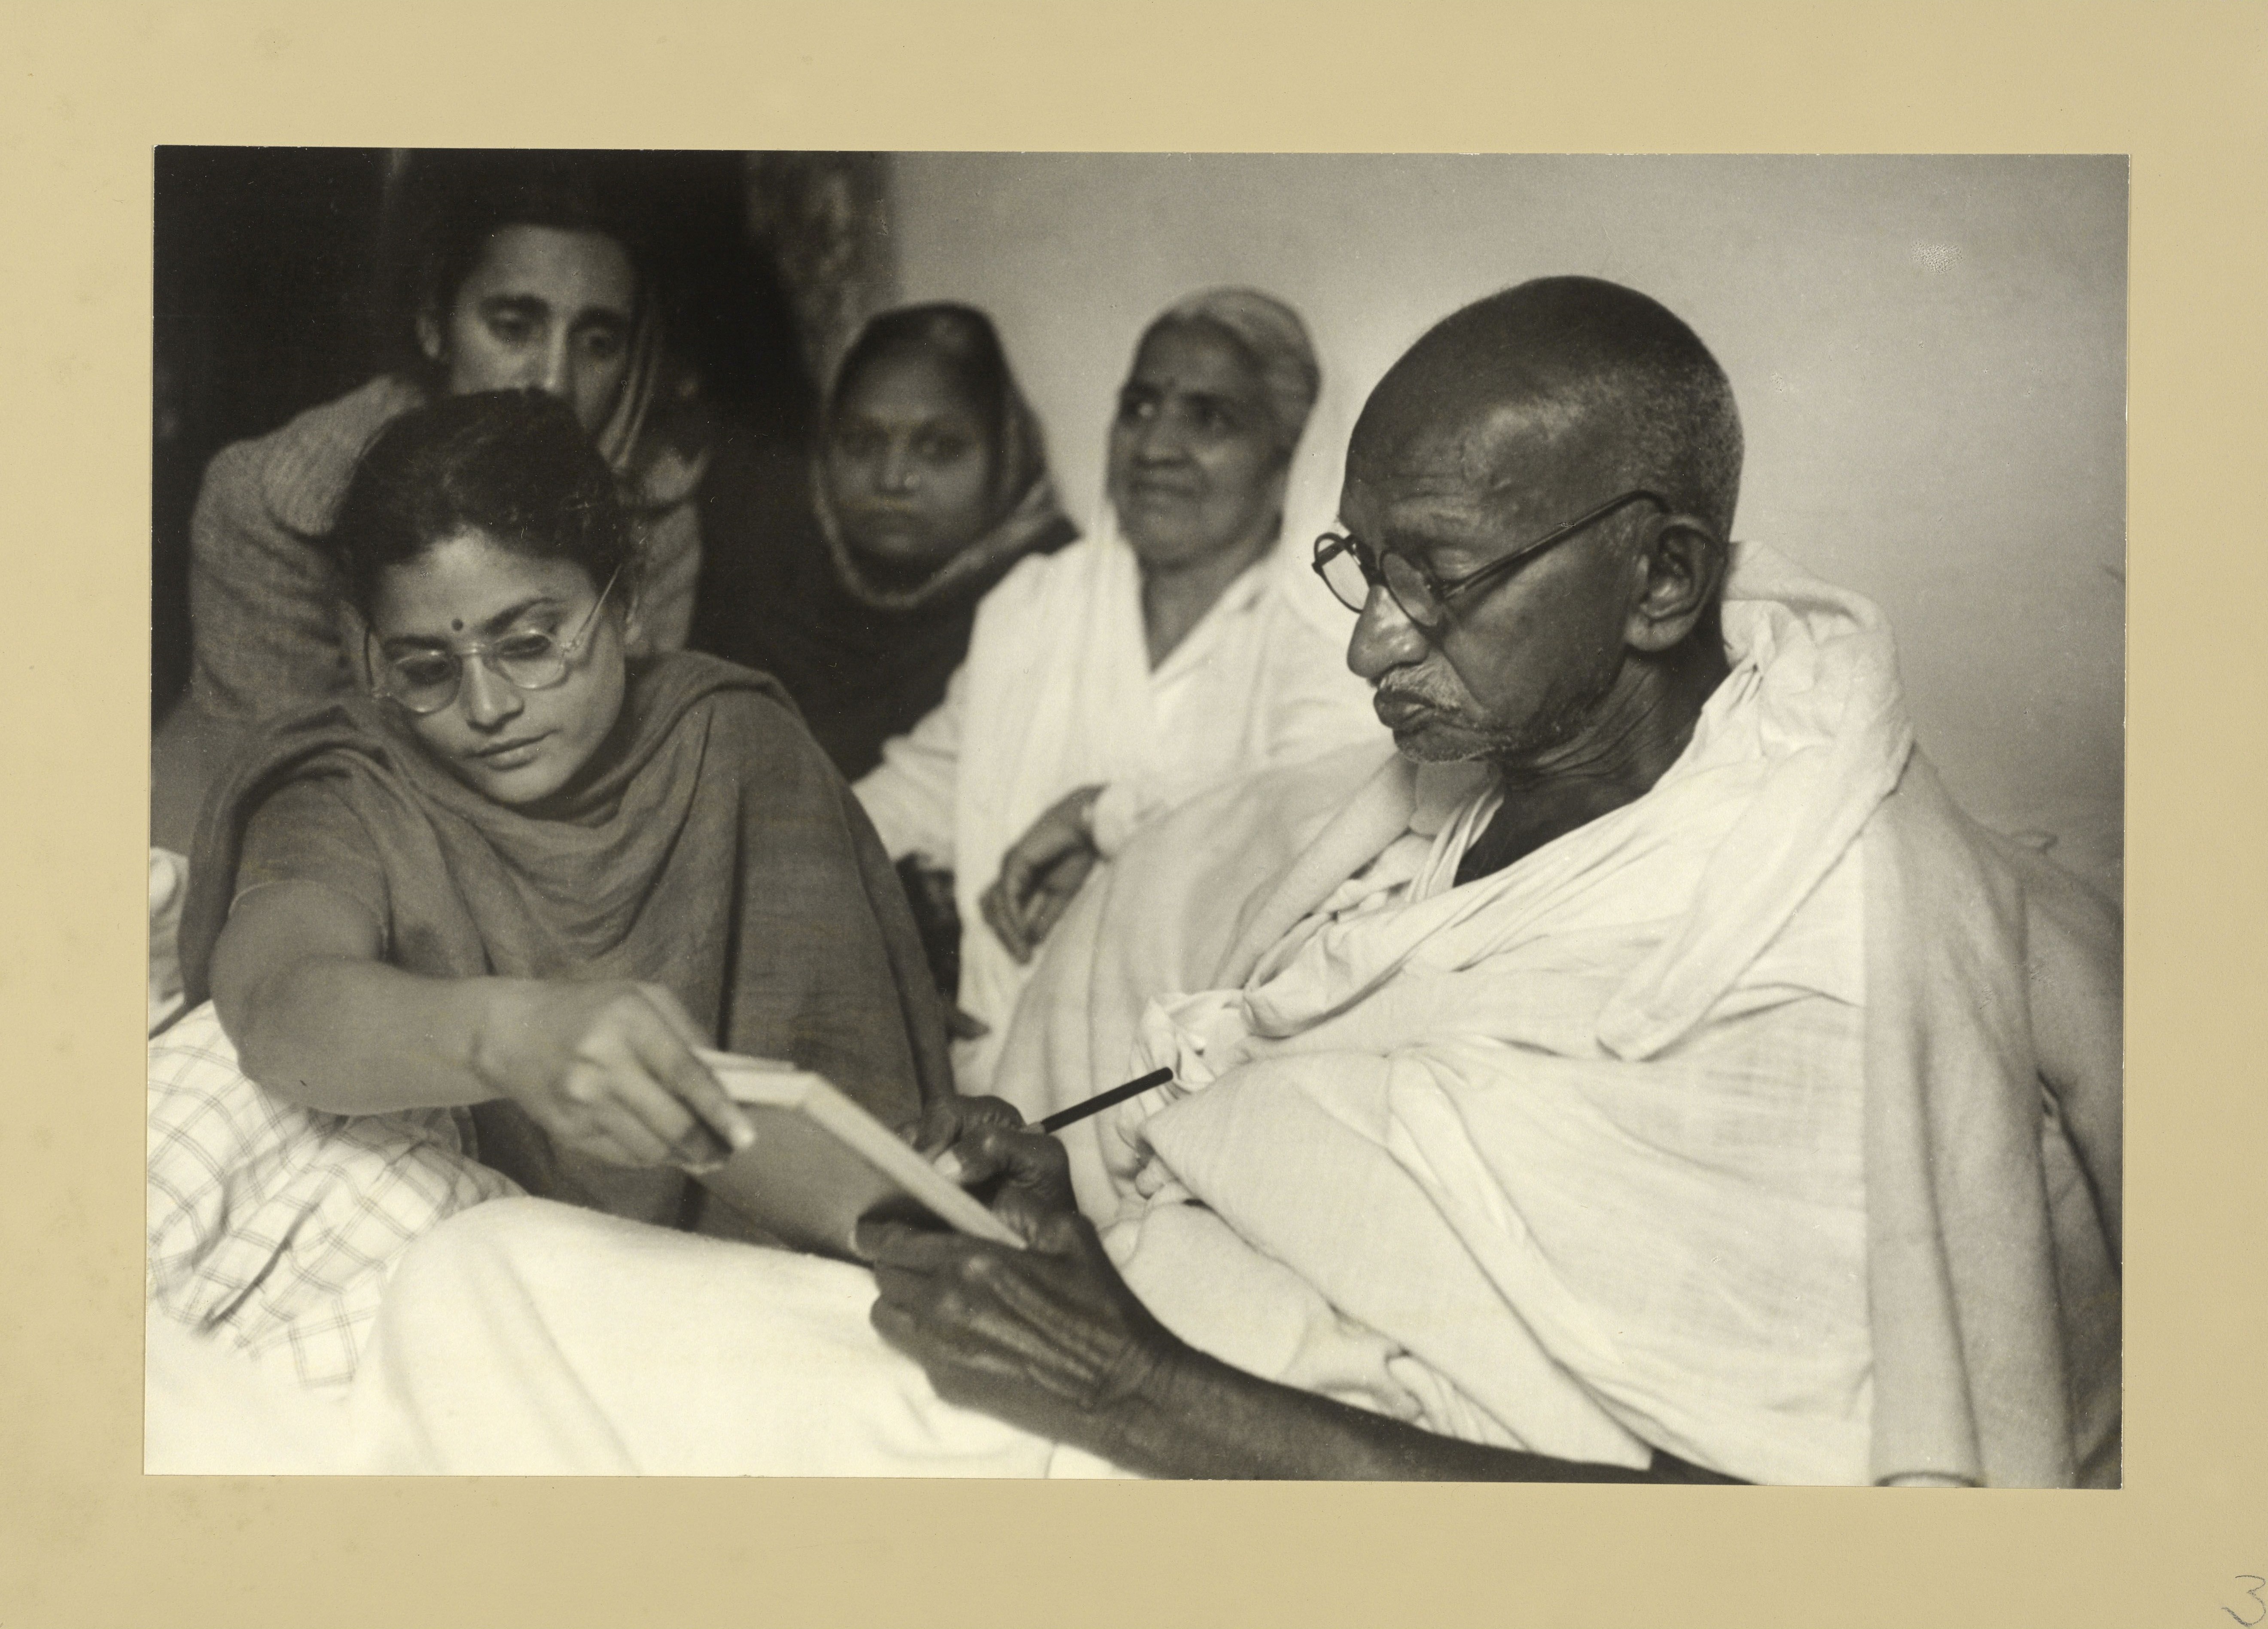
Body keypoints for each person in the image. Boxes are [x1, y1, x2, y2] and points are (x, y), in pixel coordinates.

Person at [345, 278, 2119, 1486]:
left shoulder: (1814, 954)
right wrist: (1060, 1203)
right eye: (1360, 566)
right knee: (479, 1279)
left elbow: (1752, 1544)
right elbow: (1299, 1088)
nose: (1367, 648)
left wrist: (1133, 1381)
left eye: (1433, 580)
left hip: (1193, 1464)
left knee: (479, 1308)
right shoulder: (1460, 802)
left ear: (1660, 581)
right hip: (1107, 1334)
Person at [171, 390, 952, 1243]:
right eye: (427, 666)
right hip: (473, 1279)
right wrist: (508, 1036)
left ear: (625, 605)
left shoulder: (738, 749)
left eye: (532, 643)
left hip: (757, 1297)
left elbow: (868, 1137)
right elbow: (277, 1000)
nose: (486, 705)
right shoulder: (353, 780)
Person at [850, 288, 1381, 1089]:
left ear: (1288, 462)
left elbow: (1311, 823)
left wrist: (1108, 817)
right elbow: (910, 796)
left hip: (1204, 1088)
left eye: (1209, 419)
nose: (1157, 444)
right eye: (1139, 406)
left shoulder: (1321, 629)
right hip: (997, 1084)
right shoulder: (1039, 607)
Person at [150, 155, 708, 858]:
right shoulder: (270, 504)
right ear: (434, 325)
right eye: (512, 326)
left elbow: (624, 772)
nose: (553, 379)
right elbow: (296, 808)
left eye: (598, 343)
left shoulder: (656, 508)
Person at [692, 302, 1079, 782]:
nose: (893, 479)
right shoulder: (773, 574)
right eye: (860, 443)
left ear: (1008, 458)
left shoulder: (1062, 596)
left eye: (940, 448)